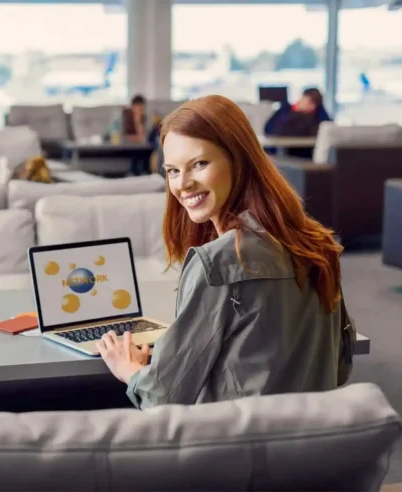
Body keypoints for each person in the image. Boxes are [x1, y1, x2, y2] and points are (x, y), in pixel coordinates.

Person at [96, 95, 355, 409]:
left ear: (239, 159)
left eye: (199, 164)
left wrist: (130, 370)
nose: (182, 185)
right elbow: (340, 366)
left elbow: (162, 397)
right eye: (172, 171)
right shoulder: (315, 243)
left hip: (233, 447)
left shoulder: (218, 263)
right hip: (308, 443)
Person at [264, 88, 331, 158]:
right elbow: (268, 128)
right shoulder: (286, 109)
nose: (300, 102)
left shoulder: (319, 114)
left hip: (305, 153)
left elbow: (326, 130)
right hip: (281, 150)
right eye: (303, 99)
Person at [121, 94, 157, 175]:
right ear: (132, 107)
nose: (139, 109)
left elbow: (144, 139)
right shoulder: (126, 117)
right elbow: (123, 137)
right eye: (136, 106)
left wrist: (138, 122)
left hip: (147, 149)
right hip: (131, 148)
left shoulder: (148, 119)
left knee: (140, 156)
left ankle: (142, 173)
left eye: (141, 106)